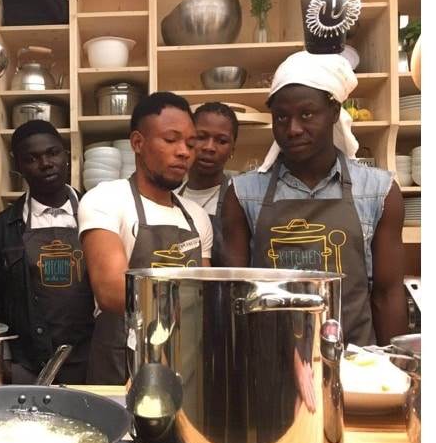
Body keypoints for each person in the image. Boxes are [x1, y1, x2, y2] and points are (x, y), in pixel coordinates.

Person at [222, 50, 407, 347]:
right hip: (268, 361)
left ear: (334, 112)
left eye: (306, 114)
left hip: (355, 361)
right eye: (281, 117)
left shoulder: (379, 191)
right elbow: (235, 297)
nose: (293, 129)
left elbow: (387, 295)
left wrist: (396, 364)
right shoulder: (244, 194)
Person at [78, 92, 213, 385]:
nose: (184, 152)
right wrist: (188, 301)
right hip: (121, 367)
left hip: (186, 364)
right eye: (171, 140)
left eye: (191, 144)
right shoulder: (106, 199)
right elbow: (111, 291)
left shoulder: (197, 216)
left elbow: (206, 296)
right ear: (138, 143)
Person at [0, 120, 95, 384]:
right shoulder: (2, 229)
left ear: (66, 155)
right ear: (18, 167)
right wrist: (5, 363)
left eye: (53, 153)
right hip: (27, 366)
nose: (45, 163)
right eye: (31, 158)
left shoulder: (99, 216)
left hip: (92, 361)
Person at [177, 102, 238, 266]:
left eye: (222, 141)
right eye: (201, 137)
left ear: (232, 150)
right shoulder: (170, 197)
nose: (209, 147)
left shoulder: (240, 200)